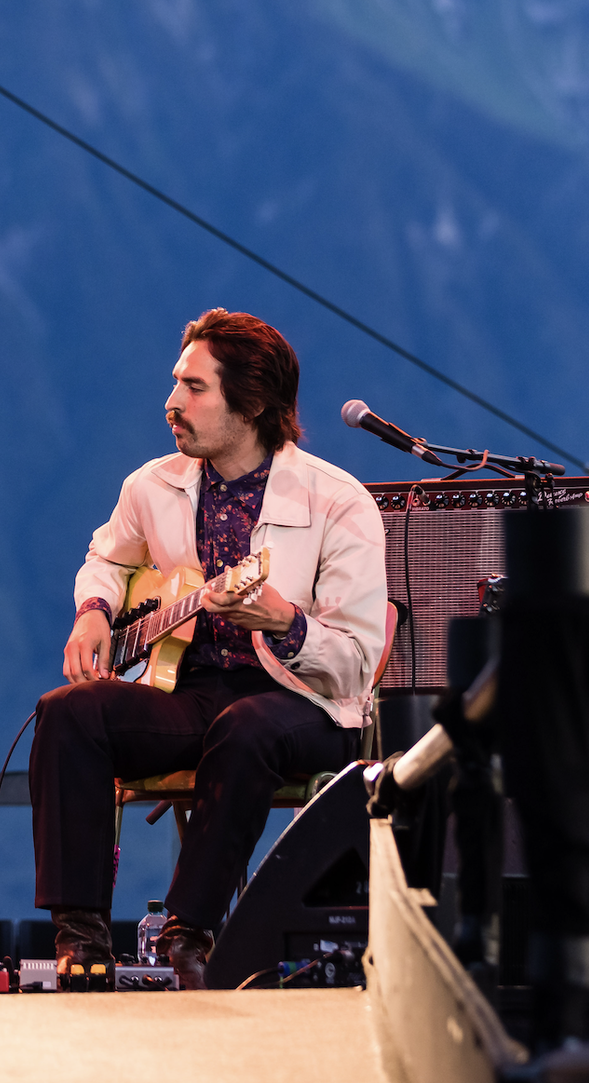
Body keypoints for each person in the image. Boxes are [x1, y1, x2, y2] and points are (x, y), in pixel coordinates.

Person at [28, 309, 387, 987]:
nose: (171, 404)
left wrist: (286, 622)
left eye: (194, 389)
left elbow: (357, 665)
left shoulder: (339, 503)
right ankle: (82, 938)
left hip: (305, 705)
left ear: (250, 403)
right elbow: (105, 557)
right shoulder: (152, 485)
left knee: (247, 727)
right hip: (194, 693)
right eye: (175, 384)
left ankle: (189, 933)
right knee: (68, 712)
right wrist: (94, 612)